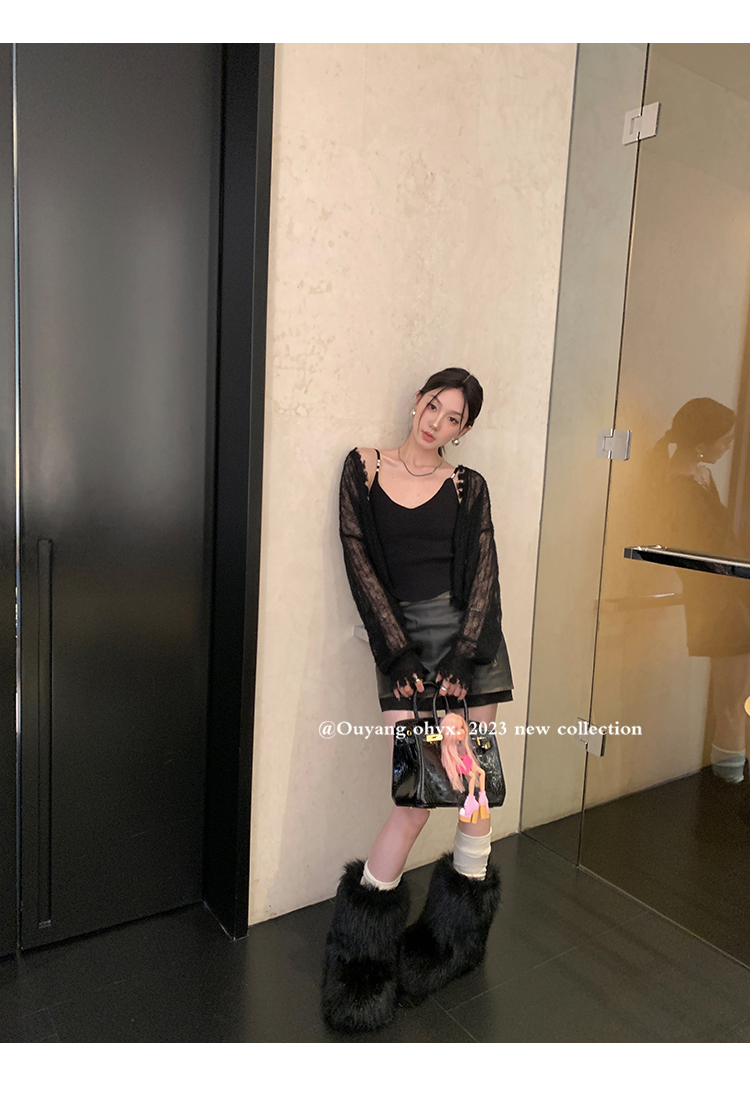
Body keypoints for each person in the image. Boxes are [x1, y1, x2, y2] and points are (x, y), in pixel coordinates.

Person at [321, 367, 514, 1033]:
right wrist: (398, 653)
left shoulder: (467, 485)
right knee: (413, 801)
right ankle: (358, 958)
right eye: (434, 406)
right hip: (402, 648)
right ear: (417, 401)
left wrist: (461, 665)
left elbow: (484, 573)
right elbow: (358, 558)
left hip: (471, 650)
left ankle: (455, 942)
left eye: (453, 417)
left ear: (464, 428)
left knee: (471, 790)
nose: (437, 422)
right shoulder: (365, 467)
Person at [646, 398, 750, 784]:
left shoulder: (700, 477)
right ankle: (729, 783)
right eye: (725, 440)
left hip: (730, 595)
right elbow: (706, 547)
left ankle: (730, 778)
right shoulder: (678, 486)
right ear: (703, 443)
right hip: (720, 601)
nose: (729, 446)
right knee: (732, 705)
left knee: (734, 702)